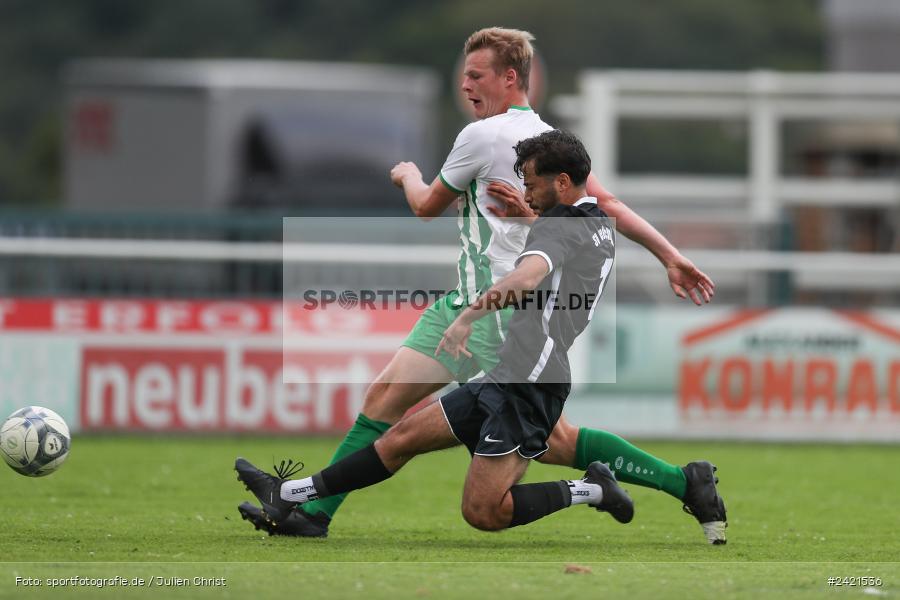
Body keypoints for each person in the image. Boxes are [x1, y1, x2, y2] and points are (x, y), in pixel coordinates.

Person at [238, 27, 726, 545]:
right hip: (470, 298)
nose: (466, 85)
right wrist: (670, 256)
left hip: (495, 303)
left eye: (476, 75)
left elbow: (427, 207)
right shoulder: (546, 140)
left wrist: (406, 174)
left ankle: (310, 508)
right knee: (398, 404)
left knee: (540, 440)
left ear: (510, 77)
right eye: (463, 75)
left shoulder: (482, 136)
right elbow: (607, 206)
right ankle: (308, 508)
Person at [238, 130, 635, 533]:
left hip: (529, 381)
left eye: (531, 185)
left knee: (483, 512)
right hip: (512, 371)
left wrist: (466, 319)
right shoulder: (597, 221)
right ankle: (287, 495)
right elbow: (564, 251)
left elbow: (526, 279)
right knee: (401, 438)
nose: (527, 194)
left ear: (562, 182)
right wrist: (531, 220)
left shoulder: (561, 225)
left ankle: (592, 489)